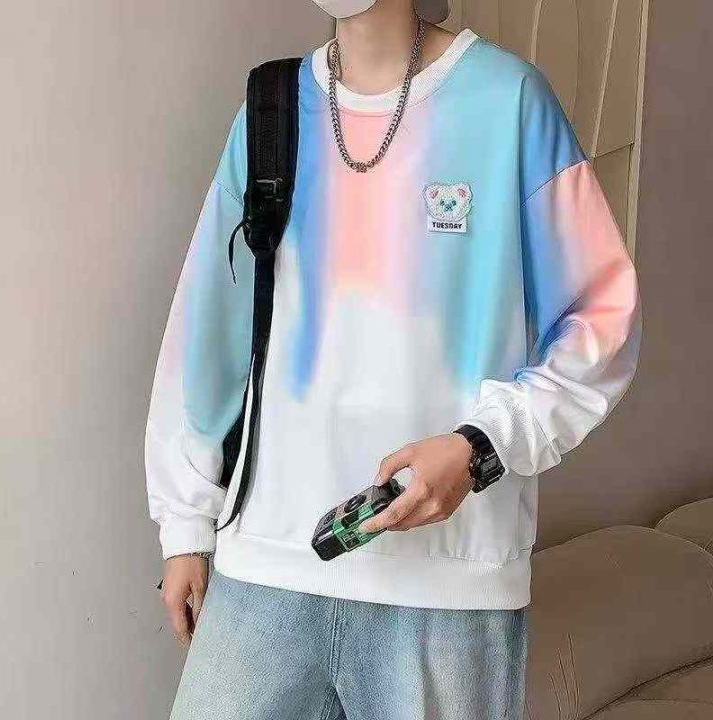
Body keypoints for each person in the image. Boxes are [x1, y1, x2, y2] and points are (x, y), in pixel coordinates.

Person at [144, 0, 641, 717]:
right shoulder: (270, 110)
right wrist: (186, 522)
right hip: (269, 561)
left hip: (447, 586)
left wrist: (481, 446)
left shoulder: (509, 102)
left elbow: (602, 319)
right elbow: (208, 329)